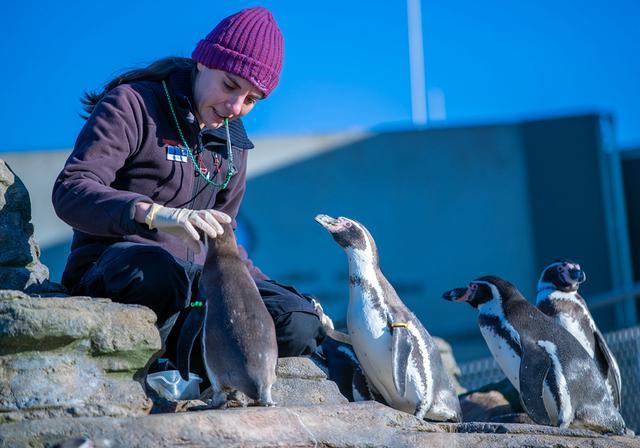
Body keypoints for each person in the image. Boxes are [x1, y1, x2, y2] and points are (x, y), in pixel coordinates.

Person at [52, 6, 326, 377]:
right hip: (120, 269)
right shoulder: (133, 104)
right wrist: (153, 214)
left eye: (251, 99)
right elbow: (71, 190)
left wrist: (287, 297)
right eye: (230, 85)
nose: (235, 107)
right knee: (161, 272)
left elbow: (225, 244)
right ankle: (159, 367)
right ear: (202, 62)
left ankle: (196, 368)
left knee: (298, 319)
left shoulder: (234, 146)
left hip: (195, 284)